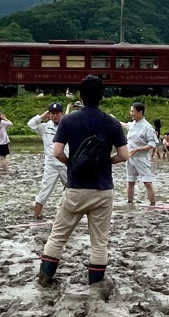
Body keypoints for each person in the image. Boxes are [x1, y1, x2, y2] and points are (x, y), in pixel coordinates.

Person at [37, 75, 128, 288]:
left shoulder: (68, 120)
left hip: (76, 188)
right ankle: (95, 286)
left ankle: (44, 279)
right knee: (99, 242)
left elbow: (56, 151)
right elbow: (124, 155)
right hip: (103, 189)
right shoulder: (112, 122)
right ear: (102, 97)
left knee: (58, 236)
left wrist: (71, 163)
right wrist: (107, 161)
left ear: (80, 96)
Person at [27, 102, 67, 219]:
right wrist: (42, 116)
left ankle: (70, 215)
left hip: (66, 163)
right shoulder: (44, 127)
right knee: (44, 191)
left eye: (57, 113)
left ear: (62, 114)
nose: (55, 116)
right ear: (49, 115)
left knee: (73, 190)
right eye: (52, 113)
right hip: (51, 165)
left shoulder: (67, 125)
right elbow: (31, 124)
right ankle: (35, 216)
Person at [121, 101, 158, 207]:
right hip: (130, 157)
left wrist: (138, 149)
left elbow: (153, 143)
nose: (131, 113)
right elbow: (126, 125)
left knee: (147, 183)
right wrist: (113, 119)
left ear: (140, 112)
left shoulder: (147, 127)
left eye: (133, 111)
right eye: (130, 111)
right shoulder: (133, 124)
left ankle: (153, 205)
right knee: (130, 181)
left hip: (141, 158)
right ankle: (129, 203)